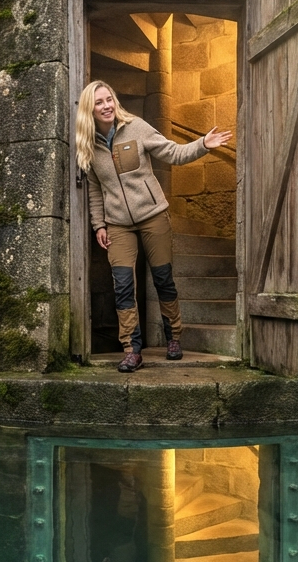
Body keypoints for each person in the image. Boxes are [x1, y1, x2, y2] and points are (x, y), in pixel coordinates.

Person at [76, 79, 232, 372]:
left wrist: (202, 145)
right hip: (118, 225)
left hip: (153, 216)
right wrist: (99, 224)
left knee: (163, 279)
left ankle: (173, 337)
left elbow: (172, 152)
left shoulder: (137, 127)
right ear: (90, 109)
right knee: (122, 285)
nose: (106, 105)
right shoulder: (88, 144)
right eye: (99, 102)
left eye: (109, 99)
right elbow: (95, 190)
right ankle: (131, 350)